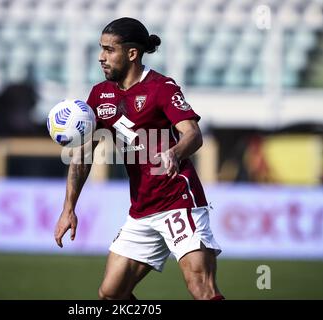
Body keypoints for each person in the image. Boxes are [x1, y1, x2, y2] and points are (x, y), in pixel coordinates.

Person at [54, 17, 224, 300]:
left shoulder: (161, 88)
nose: (101, 57)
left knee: (201, 288)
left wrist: (174, 152)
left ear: (132, 54)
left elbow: (193, 134)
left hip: (177, 202)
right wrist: (68, 207)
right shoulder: (99, 95)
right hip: (142, 209)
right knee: (111, 294)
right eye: (101, 49)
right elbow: (84, 154)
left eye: (109, 50)